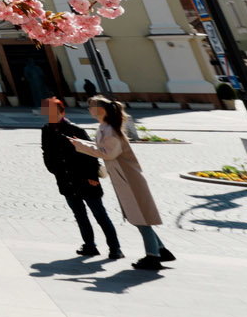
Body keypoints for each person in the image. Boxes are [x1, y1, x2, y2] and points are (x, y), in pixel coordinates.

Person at [70, 96, 174, 271]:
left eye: (91, 107)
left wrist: (80, 145)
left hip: (129, 179)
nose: (89, 110)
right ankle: (161, 250)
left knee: (140, 217)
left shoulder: (110, 129)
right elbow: (104, 148)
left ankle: (153, 257)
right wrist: (80, 143)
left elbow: (108, 153)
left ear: (100, 110)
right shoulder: (105, 127)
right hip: (123, 178)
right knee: (137, 216)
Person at [39, 95, 120, 259]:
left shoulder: (76, 130)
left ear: (62, 112)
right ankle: (89, 245)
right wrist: (55, 170)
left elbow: (92, 156)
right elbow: (47, 153)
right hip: (65, 180)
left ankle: (115, 248)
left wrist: (92, 177)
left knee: (100, 215)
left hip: (85, 179)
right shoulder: (46, 130)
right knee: (80, 216)